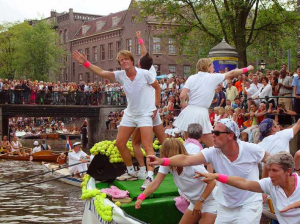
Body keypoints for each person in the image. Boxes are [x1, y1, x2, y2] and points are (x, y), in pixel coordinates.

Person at [148, 119, 269, 224]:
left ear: (231, 135)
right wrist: (162, 161)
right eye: (212, 132)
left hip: (249, 203)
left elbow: (271, 161)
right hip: (225, 205)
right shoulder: (212, 152)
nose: (212, 136)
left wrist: (263, 187)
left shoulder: (251, 149)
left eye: (216, 133)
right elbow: (186, 159)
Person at [73, 47, 161, 190]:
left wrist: (156, 106)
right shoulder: (120, 75)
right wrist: (86, 63)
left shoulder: (144, 74)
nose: (123, 62)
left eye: (125, 59)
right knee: (120, 143)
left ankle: (150, 177)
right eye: (121, 60)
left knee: (148, 145)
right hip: (130, 114)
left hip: (145, 113)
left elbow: (157, 88)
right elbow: (101, 72)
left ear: (132, 61)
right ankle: (131, 171)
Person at [195, 152, 300, 224]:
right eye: (269, 170)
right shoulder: (269, 184)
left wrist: (297, 204)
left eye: (275, 170)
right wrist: (218, 176)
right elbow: (244, 183)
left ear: (288, 171)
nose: (270, 174)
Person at [173, 58, 254, 148]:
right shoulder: (213, 77)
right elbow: (232, 73)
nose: (214, 68)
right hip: (201, 112)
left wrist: (183, 104)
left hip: (189, 111)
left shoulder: (192, 77)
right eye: (212, 66)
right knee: (213, 144)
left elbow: (182, 95)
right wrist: (248, 68)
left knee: (189, 141)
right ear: (207, 67)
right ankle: (221, 158)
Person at [135, 139, 217, 224]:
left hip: (211, 201)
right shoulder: (167, 165)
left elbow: (212, 183)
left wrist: (200, 201)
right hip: (195, 202)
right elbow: (155, 183)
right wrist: (141, 197)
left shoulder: (193, 166)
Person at [129, 31, 166, 189]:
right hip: (154, 111)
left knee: (137, 144)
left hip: (145, 113)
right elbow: (146, 55)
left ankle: (145, 172)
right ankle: (172, 166)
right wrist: (140, 39)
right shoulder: (151, 71)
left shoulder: (139, 75)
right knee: (164, 141)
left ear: (138, 65)